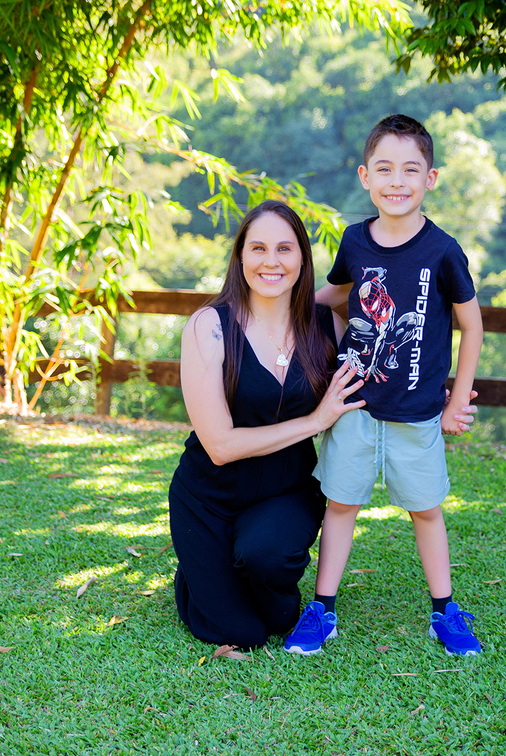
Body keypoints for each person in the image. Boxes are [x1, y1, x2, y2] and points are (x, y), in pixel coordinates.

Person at [284, 114, 485, 657]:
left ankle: (445, 612)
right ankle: (322, 609)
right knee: (340, 505)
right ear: (365, 176)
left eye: (410, 170)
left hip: (417, 413)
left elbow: (472, 326)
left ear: (430, 178)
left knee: (427, 510)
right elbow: (336, 295)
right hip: (352, 403)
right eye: (385, 169)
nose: (397, 181)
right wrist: (279, 306)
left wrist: (457, 400)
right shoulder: (354, 240)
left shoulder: (443, 250)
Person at [168, 200, 366, 649]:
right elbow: (219, 446)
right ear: (240, 256)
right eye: (258, 248)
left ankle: (249, 564)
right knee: (239, 632)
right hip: (209, 496)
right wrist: (314, 420)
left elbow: (373, 381)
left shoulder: (327, 327)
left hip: (287, 489)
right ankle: (200, 570)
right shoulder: (208, 326)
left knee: (275, 608)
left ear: (302, 259)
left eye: (284, 248)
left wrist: (436, 402)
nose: (271, 261)